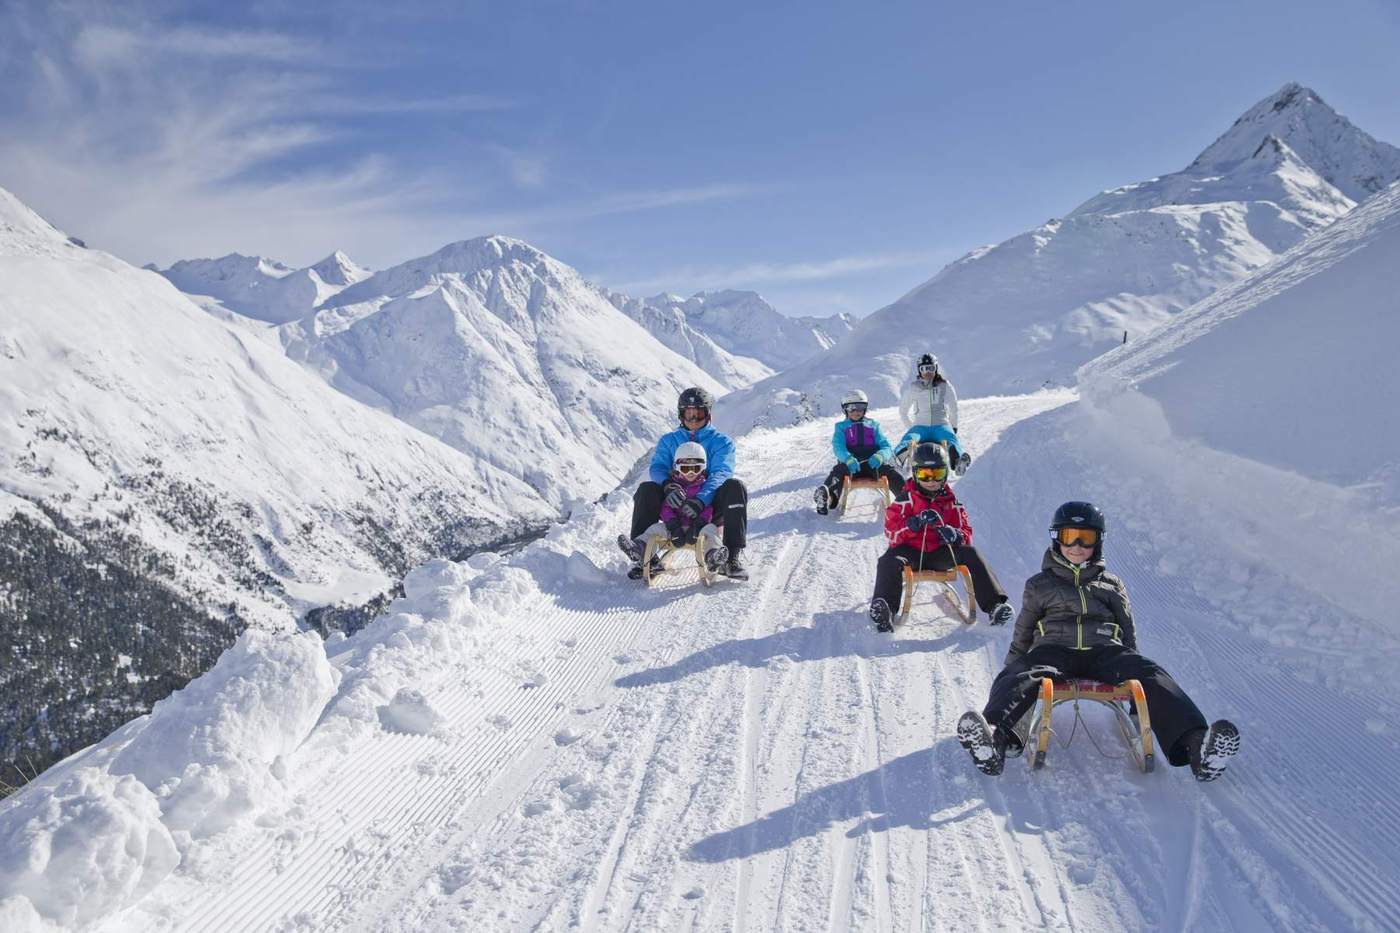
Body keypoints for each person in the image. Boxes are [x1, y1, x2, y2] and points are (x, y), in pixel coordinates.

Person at [956, 501, 1241, 782]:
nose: (1077, 545)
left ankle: (1197, 747)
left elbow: (1127, 627)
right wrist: (1013, 667)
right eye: (1070, 537)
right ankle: (995, 741)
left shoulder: (1111, 584)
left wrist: (1133, 667)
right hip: (1054, 649)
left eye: (1086, 538)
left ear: (1098, 542)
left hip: (1105, 650)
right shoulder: (1039, 584)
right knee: (1020, 674)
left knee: (1152, 673)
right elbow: (1025, 629)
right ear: (1057, 539)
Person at [868, 443, 1013, 632]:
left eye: (936, 475)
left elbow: (966, 532)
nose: (931, 481)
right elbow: (891, 531)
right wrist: (912, 524)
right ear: (916, 474)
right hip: (909, 553)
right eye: (925, 475)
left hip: (939, 554)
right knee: (888, 560)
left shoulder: (952, 503)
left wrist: (956, 535)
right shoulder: (905, 499)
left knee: (970, 553)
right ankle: (885, 608)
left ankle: (995, 605)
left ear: (945, 474)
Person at [617, 386, 749, 581]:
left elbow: (721, 473)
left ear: (708, 414)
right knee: (647, 489)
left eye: (699, 414)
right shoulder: (669, 441)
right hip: (676, 504)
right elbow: (658, 467)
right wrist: (667, 485)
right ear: (681, 415)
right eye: (689, 414)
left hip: (711, 507)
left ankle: (730, 558)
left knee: (735, 487)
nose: (694, 419)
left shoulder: (722, 442)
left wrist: (701, 500)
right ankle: (644, 557)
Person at [622, 441, 728, 573]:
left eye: (696, 468)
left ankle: (713, 555)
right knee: (654, 529)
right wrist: (672, 525)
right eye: (685, 468)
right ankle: (638, 548)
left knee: (711, 530)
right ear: (677, 467)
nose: (690, 473)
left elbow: (708, 507)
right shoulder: (674, 488)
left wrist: (698, 524)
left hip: (699, 528)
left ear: (703, 468)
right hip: (673, 528)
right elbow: (666, 507)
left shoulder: (704, 488)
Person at [814, 389, 904, 515]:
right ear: (845, 409)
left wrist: (880, 456)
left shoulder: (873, 425)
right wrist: (847, 458)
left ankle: (907, 499)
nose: (856, 412)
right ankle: (826, 495)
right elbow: (838, 447)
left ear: (865, 408)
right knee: (839, 471)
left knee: (890, 472)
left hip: (872, 464)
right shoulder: (841, 427)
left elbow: (886, 446)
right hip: (852, 465)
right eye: (852, 408)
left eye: (860, 408)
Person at [896, 353, 970, 475]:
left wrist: (953, 426)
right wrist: (912, 427)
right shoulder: (914, 387)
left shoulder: (944, 385)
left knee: (951, 439)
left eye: (930, 368)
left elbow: (953, 407)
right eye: (923, 368)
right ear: (919, 370)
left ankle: (958, 462)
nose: (927, 372)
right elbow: (903, 411)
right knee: (908, 440)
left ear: (935, 368)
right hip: (920, 426)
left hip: (940, 425)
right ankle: (896, 461)